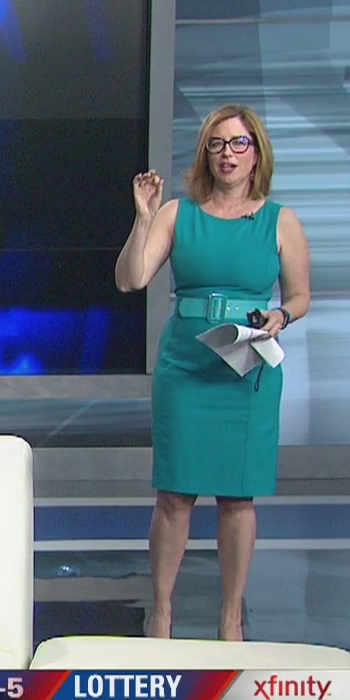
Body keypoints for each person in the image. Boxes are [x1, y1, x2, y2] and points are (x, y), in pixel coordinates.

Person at [113, 104, 312, 642]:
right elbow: (130, 279)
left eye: (239, 143)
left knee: (237, 497)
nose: (228, 154)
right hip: (187, 365)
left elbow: (299, 295)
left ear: (257, 154)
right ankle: (161, 612)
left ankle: (230, 617)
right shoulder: (178, 214)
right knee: (174, 494)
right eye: (217, 144)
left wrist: (282, 316)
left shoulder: (280, 221)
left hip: (246, 367)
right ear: (206, 153)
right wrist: (143, 218)